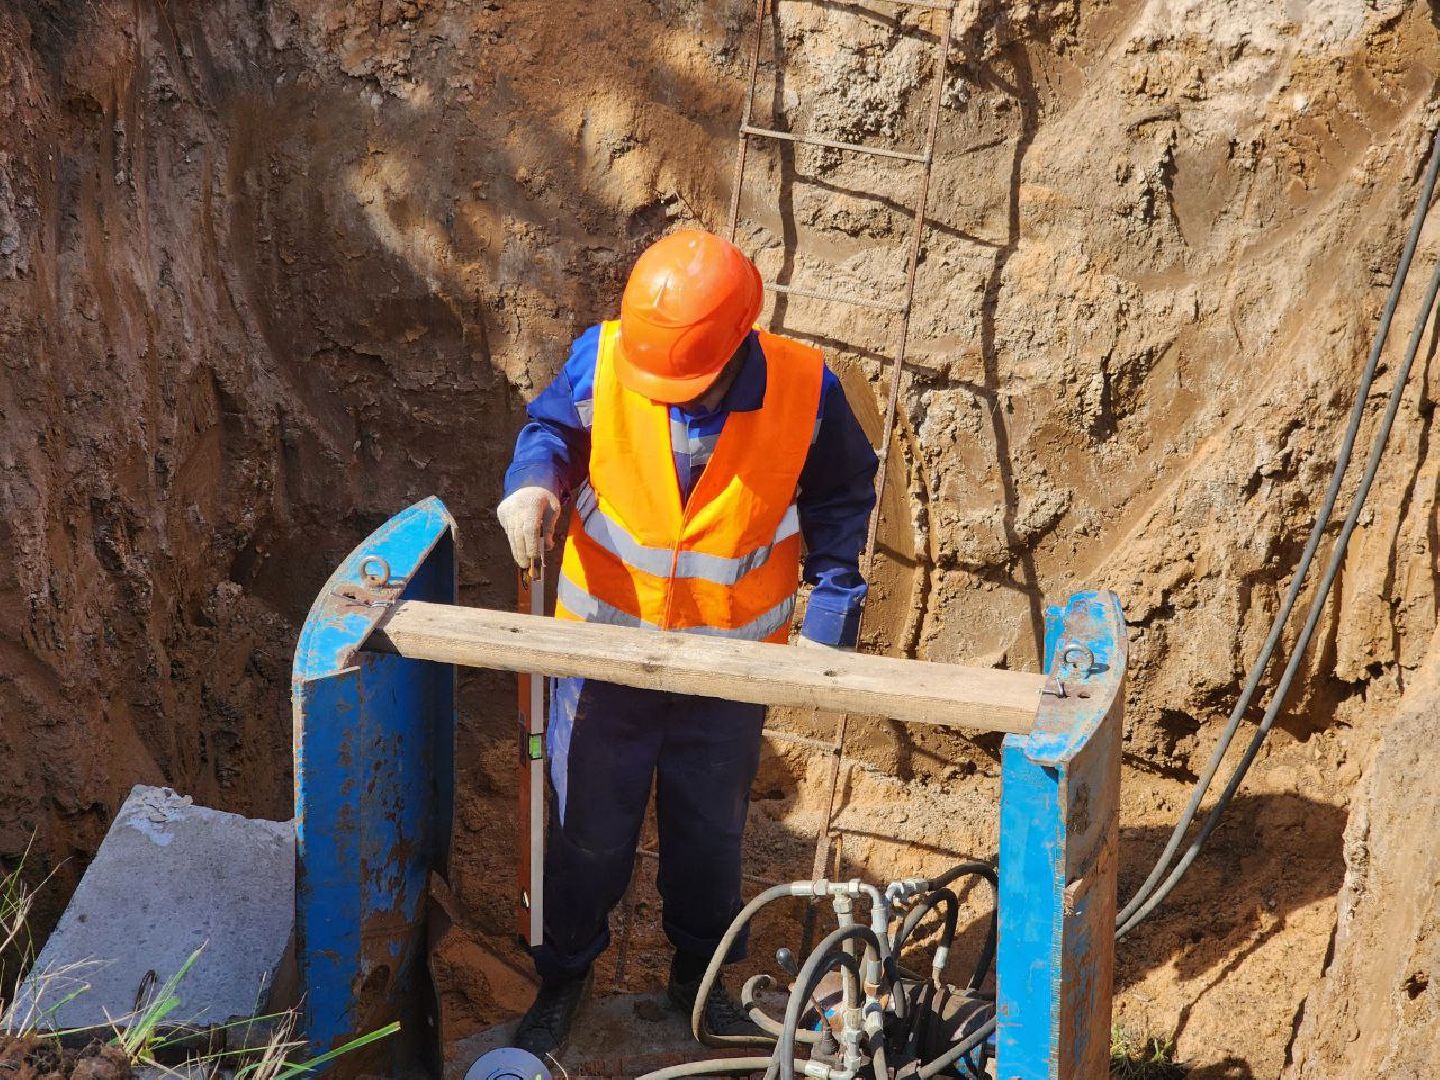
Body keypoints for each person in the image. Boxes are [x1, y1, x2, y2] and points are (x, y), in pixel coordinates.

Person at [496, 228, 878, 1055]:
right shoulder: (605, 360)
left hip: (725, 674)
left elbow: (844, 492)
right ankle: (564, 982)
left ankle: (701, 989)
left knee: (708, 839)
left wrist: (832, 607)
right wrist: (533, 486)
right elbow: (551, 433)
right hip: (602, 660)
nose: (669, 396)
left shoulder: (806, 390)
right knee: (583, 837)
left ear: (742, 341)